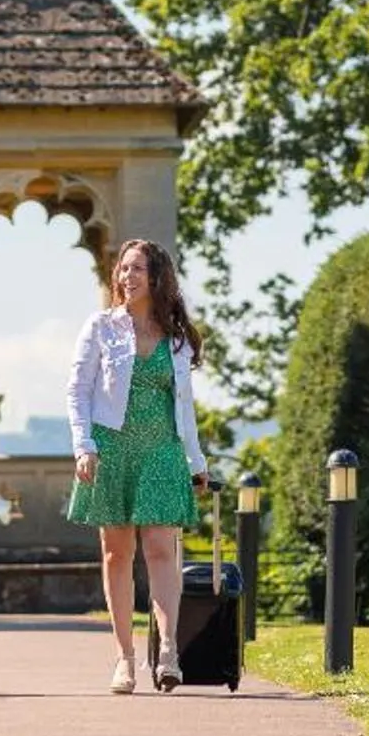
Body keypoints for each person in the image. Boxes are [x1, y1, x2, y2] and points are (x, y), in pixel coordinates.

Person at [66, 238, 210, 693]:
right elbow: (78, 391)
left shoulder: (178, 336)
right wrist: (84, 445)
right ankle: (125, 658)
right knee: (117, 553)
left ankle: (167, 652)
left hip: (162, 450)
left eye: (137, 269)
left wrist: (196, 461)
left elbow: (185, 407)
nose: (127, 277)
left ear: (157, 277)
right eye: (123, 269)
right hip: (112, 448)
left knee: (162, 550)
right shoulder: (101, 326)